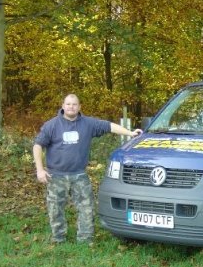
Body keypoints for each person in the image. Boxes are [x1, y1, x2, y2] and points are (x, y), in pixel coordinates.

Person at [33, 94, 142, 244]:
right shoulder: (51, 125)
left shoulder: (88, 124)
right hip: (56, 175)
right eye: (68, 104)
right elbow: (38, 145)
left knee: (87, 208)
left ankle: (85, 239)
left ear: (79, 107)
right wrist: (40, 169)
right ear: (63, 106)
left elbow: (109, 126)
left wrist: (130, 133)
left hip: (79, 175)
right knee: (55, 209)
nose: (71, 107)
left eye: (74, 104)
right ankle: (58, 238)